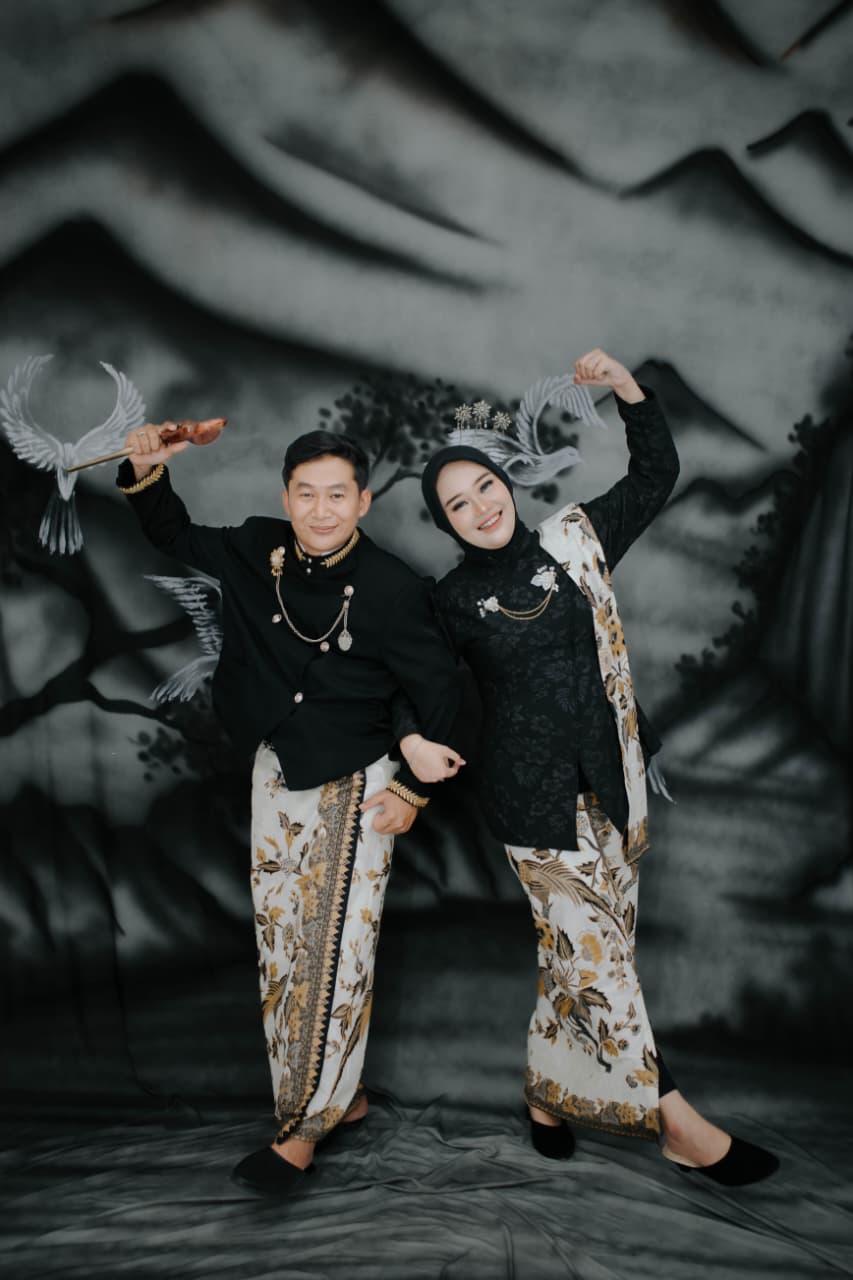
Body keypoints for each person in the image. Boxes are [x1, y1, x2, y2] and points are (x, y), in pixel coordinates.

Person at [397, 349, 779, 1186]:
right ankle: (678, 1126)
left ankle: (547, 1092)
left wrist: (629, 393)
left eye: (485, 487)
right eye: (457, 504)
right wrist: (409, 745)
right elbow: (407, 684)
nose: (480, 506)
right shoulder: (447, 602)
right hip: (529, 807)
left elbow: (655, 474)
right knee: (598, 964)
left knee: (576, 955)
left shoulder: (574, 541)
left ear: (506, 483)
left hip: (609, 784)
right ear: (445, 523)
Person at [117, 426, 463, 1196]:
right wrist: (144, 470)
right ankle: (340, 1098)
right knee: (281, 944)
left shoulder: (393, 586)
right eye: (305, 494)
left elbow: (441, 689)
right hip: (273, 770)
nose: (320, 509)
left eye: (337, 494)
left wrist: (411, 790)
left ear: (363, 501)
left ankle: (301, 1131)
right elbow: (172, 533)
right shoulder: (255, 547)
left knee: (333, 951)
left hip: (354, 779)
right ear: (285, 497)